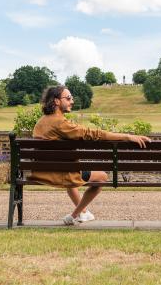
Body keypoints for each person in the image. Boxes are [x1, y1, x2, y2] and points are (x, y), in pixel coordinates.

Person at [32, 85, 150, 225]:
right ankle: (75, 215)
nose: (72, 101)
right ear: (56, 101)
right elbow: (93, 134)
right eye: (68, 98)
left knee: (71, 171)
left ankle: (83, 213)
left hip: (43, 172)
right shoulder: (60, 123)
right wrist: (126, 136)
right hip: (61, 174)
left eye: (72, 98)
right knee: (102, 177)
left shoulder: (41, 122)